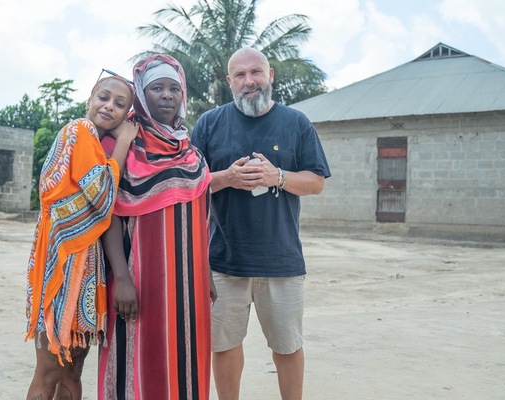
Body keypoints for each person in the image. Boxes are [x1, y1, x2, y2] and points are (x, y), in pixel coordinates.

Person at [190, 47, 332, 400]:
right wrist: (227, 177)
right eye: (240, 75)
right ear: (229, 82)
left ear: (270, 76)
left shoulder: (296, 122)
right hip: (223, 261)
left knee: (287, 347)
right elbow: (188, 185)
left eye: (256, 73)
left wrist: (277, 175)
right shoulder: (209, 123)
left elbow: (316, 182)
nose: (249, 81)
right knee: (223, 345)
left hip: (281, 261)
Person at [97, 54, 215, 400]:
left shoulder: (191, 151)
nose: (167, 95)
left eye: (174, 88)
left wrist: (204, 272)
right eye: (156, 88)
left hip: (189, 285)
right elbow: (109, 214)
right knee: (135, 360)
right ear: (140, 96)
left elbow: (202, 215)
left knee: (187, 362)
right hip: (138, 280)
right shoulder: (122, 145)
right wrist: (122, 278)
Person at [24, 74, 138, 400]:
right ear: (89, 99)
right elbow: (102, 194)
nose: (109, 106)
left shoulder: (93, 143)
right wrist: (126, 142)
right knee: (50, 370)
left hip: (84, 268)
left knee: (73, 368)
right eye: (104, 97)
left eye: (120, 104)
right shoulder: (80, 131)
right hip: (65, 267)